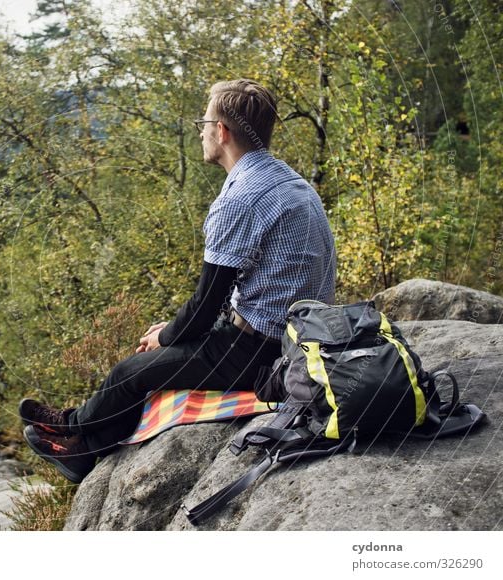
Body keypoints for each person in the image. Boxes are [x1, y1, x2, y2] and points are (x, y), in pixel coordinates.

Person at [20, 79, 336, 483]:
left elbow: (205, 306)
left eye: (204, 122)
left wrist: (167, 337)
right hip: (294, 332)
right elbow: (222, 300)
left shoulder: (241, 198)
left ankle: (74, 426)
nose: (201, 131)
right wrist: (171, 333)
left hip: (261, 350)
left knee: (129, 373)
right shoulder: (288, 179)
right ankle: (84, 450)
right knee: (159, 360)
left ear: (221, 132)